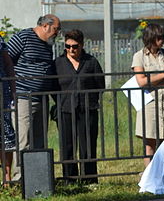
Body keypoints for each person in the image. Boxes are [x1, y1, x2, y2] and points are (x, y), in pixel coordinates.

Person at [6, 14, 60, 180]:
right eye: (56, 29)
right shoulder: (23, 37)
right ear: (45, 26)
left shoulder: (47, 45)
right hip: (23, 97)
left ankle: (39, 179)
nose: (58, 33)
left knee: (40, 140)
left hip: (41, 98)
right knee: (24, 139)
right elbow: (7, 60)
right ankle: (20, 179)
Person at [54, 30, 105, 183]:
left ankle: (89, 179)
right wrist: (60, 102)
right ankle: (70, 179)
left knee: (88, 145)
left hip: (87, 109)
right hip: (65, 109)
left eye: (74, 46)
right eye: (67, 46)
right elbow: (53, 86)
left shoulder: (91, 62)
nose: (71, 50)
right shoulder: (58, 63)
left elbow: (100, 84)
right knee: (67, 146)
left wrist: (91, 100)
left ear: (82, 45)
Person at [131, 22, 164, 168]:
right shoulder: (139, 56)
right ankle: (149, 176)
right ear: (152, 38)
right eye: (160, 38)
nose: (163, 40)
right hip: (149, 105)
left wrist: (153, 80)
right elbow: (141, 81)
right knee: (150, 143)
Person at [0, 40, 16, 185]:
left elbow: (8, 64)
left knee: (5, 136)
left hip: (2, 93)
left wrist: (13, 89)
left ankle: (7, 177)